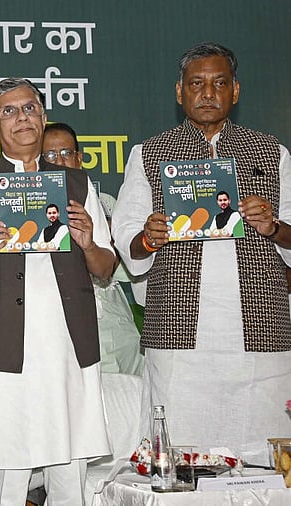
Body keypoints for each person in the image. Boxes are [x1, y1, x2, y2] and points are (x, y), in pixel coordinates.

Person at [111, 42, 291, 465]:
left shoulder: (272, 152)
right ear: (180, 92)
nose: (208, 93)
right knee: (181, 447)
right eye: (196, 84)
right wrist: (149, 237)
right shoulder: (150, 153)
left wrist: (273, 227)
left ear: (236, 91)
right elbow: (127, 235)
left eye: (219, 83)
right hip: (178, 327)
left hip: (259, 324)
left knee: (262, 445)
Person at [0, 78, 114, 505]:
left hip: (67, 349)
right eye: (9, 111)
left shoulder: (78, 185)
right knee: (7, 475)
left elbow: (106, 267)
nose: (21, 117)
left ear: (43, 116)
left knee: (69, 477)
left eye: (30, 108)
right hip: (2, 351)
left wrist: (88, 243)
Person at [42, 123, 144, 375]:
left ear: (78, 158)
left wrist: (105, 238)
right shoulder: (29, 213)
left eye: (66, 153)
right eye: (50, 155)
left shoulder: (105, 203)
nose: (59, 162)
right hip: (56, 321)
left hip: (109, 315)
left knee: (127, 391)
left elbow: (122, 271)